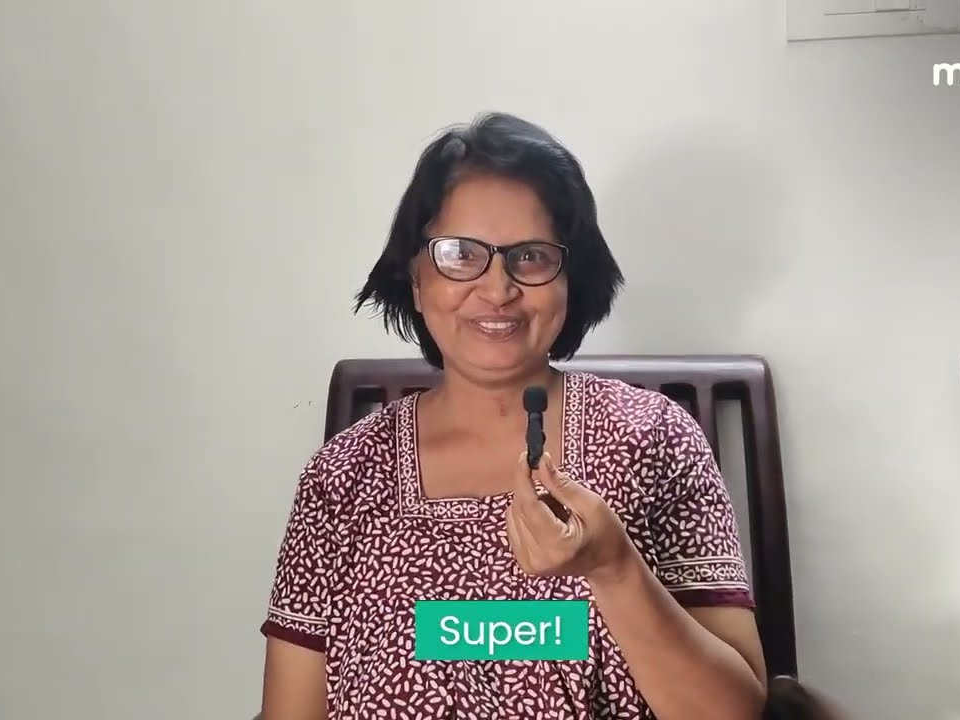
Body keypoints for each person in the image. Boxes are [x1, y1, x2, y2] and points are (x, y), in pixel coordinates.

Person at [259, 112, 767, 719]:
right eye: (459, 254)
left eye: (530, 256)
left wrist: (614, 569)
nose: (497, 288)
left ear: (570, 278)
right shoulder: (341, 477)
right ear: (416, 280)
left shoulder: (654, 439)